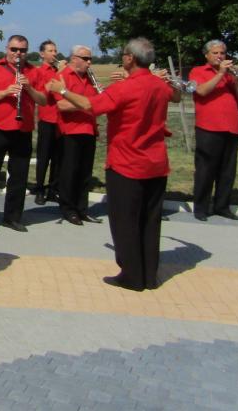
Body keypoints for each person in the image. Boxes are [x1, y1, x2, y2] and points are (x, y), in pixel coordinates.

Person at [47, 37, 181, 291]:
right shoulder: (159, 86)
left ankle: (132, 276)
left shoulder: (125, 88)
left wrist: (60, 90)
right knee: (150, 221)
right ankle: (149, 275)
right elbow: (177, 95)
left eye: (124, 55)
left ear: (130, 58)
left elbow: (89, 105)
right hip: (156, 163)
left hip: (126, 163)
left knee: (125, 221)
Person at [0, 35, 47, 233]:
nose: (18, 53)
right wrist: (6, 92)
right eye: (14, 49)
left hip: (22, 129)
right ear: (7, 48)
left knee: (19, 176)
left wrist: (29, 87)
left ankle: (12, 217)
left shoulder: (33, 71)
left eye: (22, 50)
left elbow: (43, 100)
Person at [189, 40, 238, 221]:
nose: (220, 56)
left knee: (227, 171)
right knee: (206, 169)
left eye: (222, 53)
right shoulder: (198, 71)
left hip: (231, 127)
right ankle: (201, 207)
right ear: (206, 55)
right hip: (208, 127)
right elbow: (202, 91)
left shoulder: (230, 75)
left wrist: (236, 79)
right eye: (215, 53)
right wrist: (220, 73)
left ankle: (222, 206)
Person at [53, 46, 101, 226]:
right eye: (86, 58)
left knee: (85, 172)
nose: (89, 62)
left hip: (89, 129)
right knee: (70, 172)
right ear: (74, 58)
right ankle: (68, 209)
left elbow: (98, 102)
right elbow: (62, 106)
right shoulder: (62, 77)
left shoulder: (89, 78)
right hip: (70, 130)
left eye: (90, 59)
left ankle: (82, 209)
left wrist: (92, 101)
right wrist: (86, 104)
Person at [32, 40, 62, 206]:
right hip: (47, 118)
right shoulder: (40, 72)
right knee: (44, 156)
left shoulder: (58, 70)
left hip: (60, 118)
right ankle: (39, 189)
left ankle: (53, 188)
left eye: (55, 50)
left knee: (58, 156)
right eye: (50, 51)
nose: (54, 53)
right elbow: (44, 92)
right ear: (42, 54)